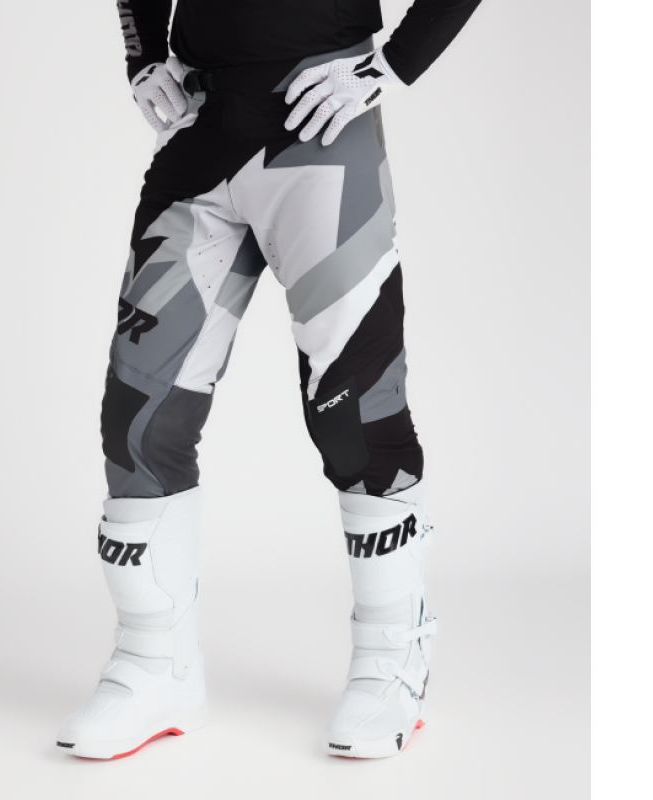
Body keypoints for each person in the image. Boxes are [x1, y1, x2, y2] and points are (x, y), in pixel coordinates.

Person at [56, 0, 481, 760]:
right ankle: (155, 666)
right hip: (202, 128)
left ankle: (392, 655)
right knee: (139, 415)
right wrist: (143, 54)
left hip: (319, 124)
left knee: (354, 410)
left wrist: (393, 64)